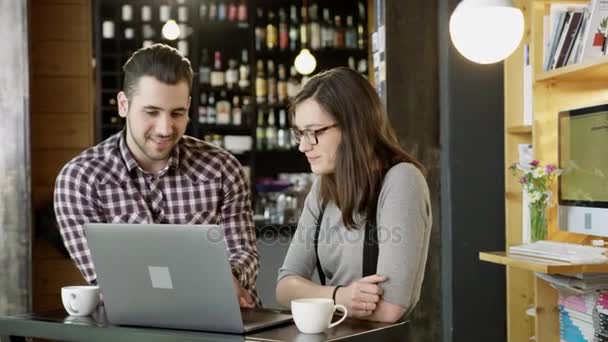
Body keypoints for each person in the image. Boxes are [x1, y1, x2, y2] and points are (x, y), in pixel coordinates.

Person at [54, 44, 259, 308]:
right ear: (123, 105)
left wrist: (229, 277)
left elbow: (244, 256)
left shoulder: (222, 168)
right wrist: (207, 281)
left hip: (221, 321)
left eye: (177, 113)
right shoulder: (80, 179)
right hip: (136, 327)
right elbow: (109, 280)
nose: (165, 129)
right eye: (151, 112)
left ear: (188, 107)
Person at [275, 67, 432, 323]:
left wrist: (314, 294)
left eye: (315, 132)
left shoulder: (402, 180)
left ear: (354, 127)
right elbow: (284, 287)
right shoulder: (322, 189)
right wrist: (341, 296)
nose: (304, 146)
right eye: (300, 134)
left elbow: (389, 309)